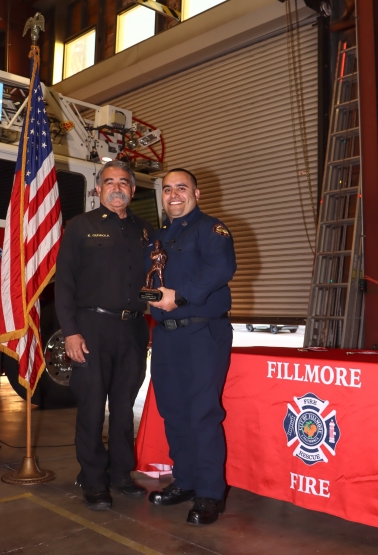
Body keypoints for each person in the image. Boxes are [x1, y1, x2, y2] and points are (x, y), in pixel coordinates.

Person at [55, 160, 154, 511]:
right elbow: (64, 285)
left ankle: (121, 474)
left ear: (132, 189)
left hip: (132, 330)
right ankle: (94, 481)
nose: (117, 188)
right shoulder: (80, 227)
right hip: (91, 329)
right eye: (109, 182)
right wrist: (71, 332)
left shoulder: (146, 231)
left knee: (125, 407)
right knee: (93, 407)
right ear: (98, 189)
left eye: (123, 182)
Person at [146, 168, 236, 525]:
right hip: (166, 335)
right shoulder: (159, 236)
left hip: (202, 334)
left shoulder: (212, 230)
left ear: (196, 193)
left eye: (181, 188)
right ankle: (185, 481)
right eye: (167, 189)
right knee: (173, 412)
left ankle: (210, 493)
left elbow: (221, 269)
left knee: (202, 415)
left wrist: (180, 297)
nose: (173, 195)